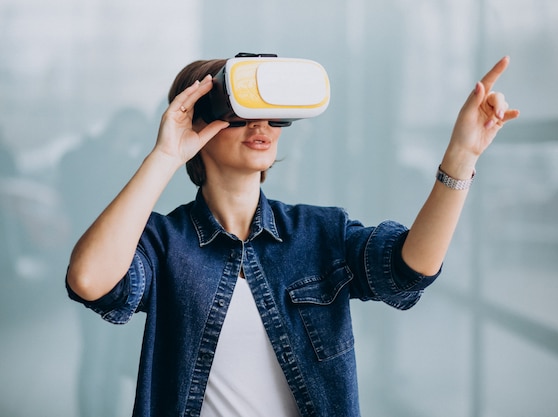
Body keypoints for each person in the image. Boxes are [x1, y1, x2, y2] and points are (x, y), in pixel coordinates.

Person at [65, 56, 519, 417]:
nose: (262, 126)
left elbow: (407, 271)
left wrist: (460, 156)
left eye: (272, 116)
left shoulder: (320, 232)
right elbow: (90, 280)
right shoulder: (165, 244)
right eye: (243, 113)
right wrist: (166, 154)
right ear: (200, 124)